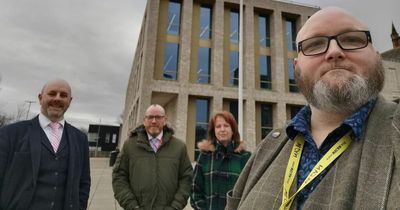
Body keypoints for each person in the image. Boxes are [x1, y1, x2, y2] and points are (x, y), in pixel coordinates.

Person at [225, 7, 400, 210]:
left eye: (352, 39)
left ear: (377, 56)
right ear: (296, 67)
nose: (334, 52)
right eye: (315, 44)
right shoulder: (268, 146)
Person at [0, 79, 91, 210]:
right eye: (52, 93)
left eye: (63, 95)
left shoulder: (80, 139)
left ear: (70, 101)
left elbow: (84, 182)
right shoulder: (11, 134)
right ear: (40, 97)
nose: (58, 98)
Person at [112, 104, 193, 210]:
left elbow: (186, 178)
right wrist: (132, 206)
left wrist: (175, 206)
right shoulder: (129, 145)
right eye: (150, 117)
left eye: (158, 117)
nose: (154, 121)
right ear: (144, 120)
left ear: (165, 120)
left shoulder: (179, 147)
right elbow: (119, 177)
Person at [191, 111, 251, 210]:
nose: (222, 129)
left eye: (226, 126)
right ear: (213, 131)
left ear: (233, 130)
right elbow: (195, 191)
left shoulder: (245, 157)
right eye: (218, 126)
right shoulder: (205, 156)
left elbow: (249, 191)